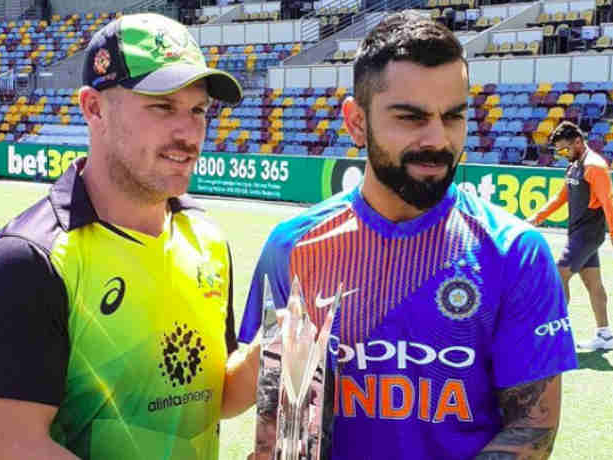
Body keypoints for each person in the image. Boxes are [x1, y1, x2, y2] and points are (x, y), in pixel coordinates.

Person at [238, 11, 578, 460]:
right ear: (356, 122)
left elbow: (532, 430)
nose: (438, 139)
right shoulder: (290, 248)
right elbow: (280, 422)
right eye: (411, 117)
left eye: (453, 116)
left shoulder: (516, 252)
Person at [0, 13, 259, 460]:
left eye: (198, 110)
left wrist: (273, 354)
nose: (189, 133)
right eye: (162, 107)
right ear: (93, 108)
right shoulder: (28, 260)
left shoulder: (207, 237)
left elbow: (211, 393)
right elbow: (12, 446)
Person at [527, 121, 613, 351]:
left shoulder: (595, 166)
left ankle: (556, 334)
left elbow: (608, 203)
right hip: (578, 233)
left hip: (588, 234)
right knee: (593, 282)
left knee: (558, 274)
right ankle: (605, 335)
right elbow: (561, 197)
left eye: (565, 149)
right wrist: (536, 218)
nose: (562, 154)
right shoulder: (574, 165)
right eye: (559, 151)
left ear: (578, 141)